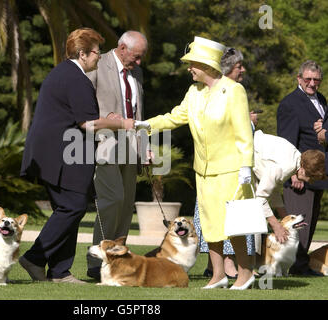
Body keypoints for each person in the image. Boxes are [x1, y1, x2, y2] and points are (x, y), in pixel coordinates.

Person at [19, 28, 135, 284]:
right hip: (62, 156)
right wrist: (122, 124)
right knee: (72, 207)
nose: (99, 58)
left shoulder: (66, 73)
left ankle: (59, 272)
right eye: (96, 53)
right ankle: (35, 258)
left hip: (58, 155)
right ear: (82, 54)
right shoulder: (76, 78)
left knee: (70, 207)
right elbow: (87, 123)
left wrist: (109, 120)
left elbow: (84, 118)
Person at [144, 36, 255, 290]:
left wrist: (246, 166)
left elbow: (243, 133)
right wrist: (145, 126)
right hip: (203, 171)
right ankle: (218, 276)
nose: (188, 68)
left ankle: (245, 273)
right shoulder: (194, 93)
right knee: (209, 224)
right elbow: (174, 117)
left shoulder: (234, 90)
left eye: (192, 63)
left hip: (231, 169)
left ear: (205, 64)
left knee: (233, 224)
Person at [85, 31, 148, 280]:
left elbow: (139, 112)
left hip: (131, 147)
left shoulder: (137, 73)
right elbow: (83, 101)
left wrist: (145, 147)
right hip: (105, 143)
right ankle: (95, 261)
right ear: (122, 48)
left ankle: (118, 259)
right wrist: (105, 118)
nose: (139, 63)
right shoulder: (98, 64)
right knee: (112, 200)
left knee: (125, 206)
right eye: (136, 57)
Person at [277, 60, 327, 276]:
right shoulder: (290, 103)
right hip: (299, 174)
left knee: (310, 220)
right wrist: (294, 173)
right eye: (308, 79)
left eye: (316, 79)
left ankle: (301, 264)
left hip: (319, 174)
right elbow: (287, 142)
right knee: (298, 222)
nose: (312, 83)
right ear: (299, 79)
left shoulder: (322, 100)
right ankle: (293, 266)